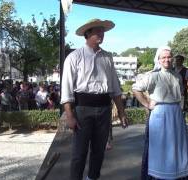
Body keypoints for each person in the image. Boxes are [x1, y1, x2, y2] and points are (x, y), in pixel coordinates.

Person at [60, 19, 128, 180]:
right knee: (79, 153)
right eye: (97, 31)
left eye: (102, 31)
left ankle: (92, 178)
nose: (101, 34)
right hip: (82, 109)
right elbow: (67, 89)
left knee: (99, 151)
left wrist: (121, 112)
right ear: (88, 34)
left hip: (104, 108)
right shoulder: (74, 57)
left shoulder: (107, 57)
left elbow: (115, 87)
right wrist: (69, 115)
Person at [133, 46, 188, 180]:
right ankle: (160, 174)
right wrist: (147, 103)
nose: (167, 59)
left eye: (169, 57)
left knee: (177, 145)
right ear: (159, 60)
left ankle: (177, 172)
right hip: (160, 113)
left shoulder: (177, 75)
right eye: (163, 57)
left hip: (176, 113)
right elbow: (136, 89)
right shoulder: (153, 75)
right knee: (161, 145)